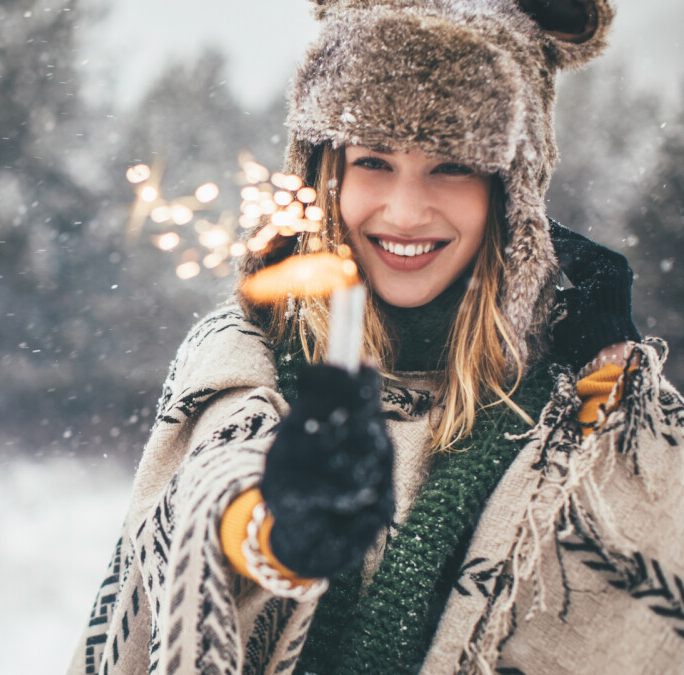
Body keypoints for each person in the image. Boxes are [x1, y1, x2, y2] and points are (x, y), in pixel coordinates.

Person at [70, 0, 684, 673]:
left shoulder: (587, 406)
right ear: (324, 171)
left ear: (512, 192)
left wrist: (604, 402)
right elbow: (208, 505)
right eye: (374, 161)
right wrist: (286, 533)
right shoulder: (242, 355)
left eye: (451, 164)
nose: (405, 210)